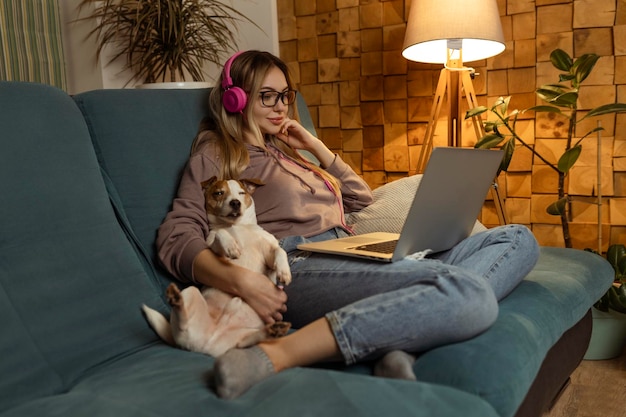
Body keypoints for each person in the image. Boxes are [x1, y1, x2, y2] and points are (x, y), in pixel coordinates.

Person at [156, 50, 540, 400]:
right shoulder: (217, 155)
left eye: (285, 96)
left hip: (352, 249)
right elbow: (176, 235)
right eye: (266, 96)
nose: (280, 107)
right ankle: (275, 353)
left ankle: (399, 343)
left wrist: (315, 148)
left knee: (518, 238)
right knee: (469, 292)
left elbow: (360, 199)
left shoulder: (290, 153)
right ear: (235, 100)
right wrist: (239, 279)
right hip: (298, 265)